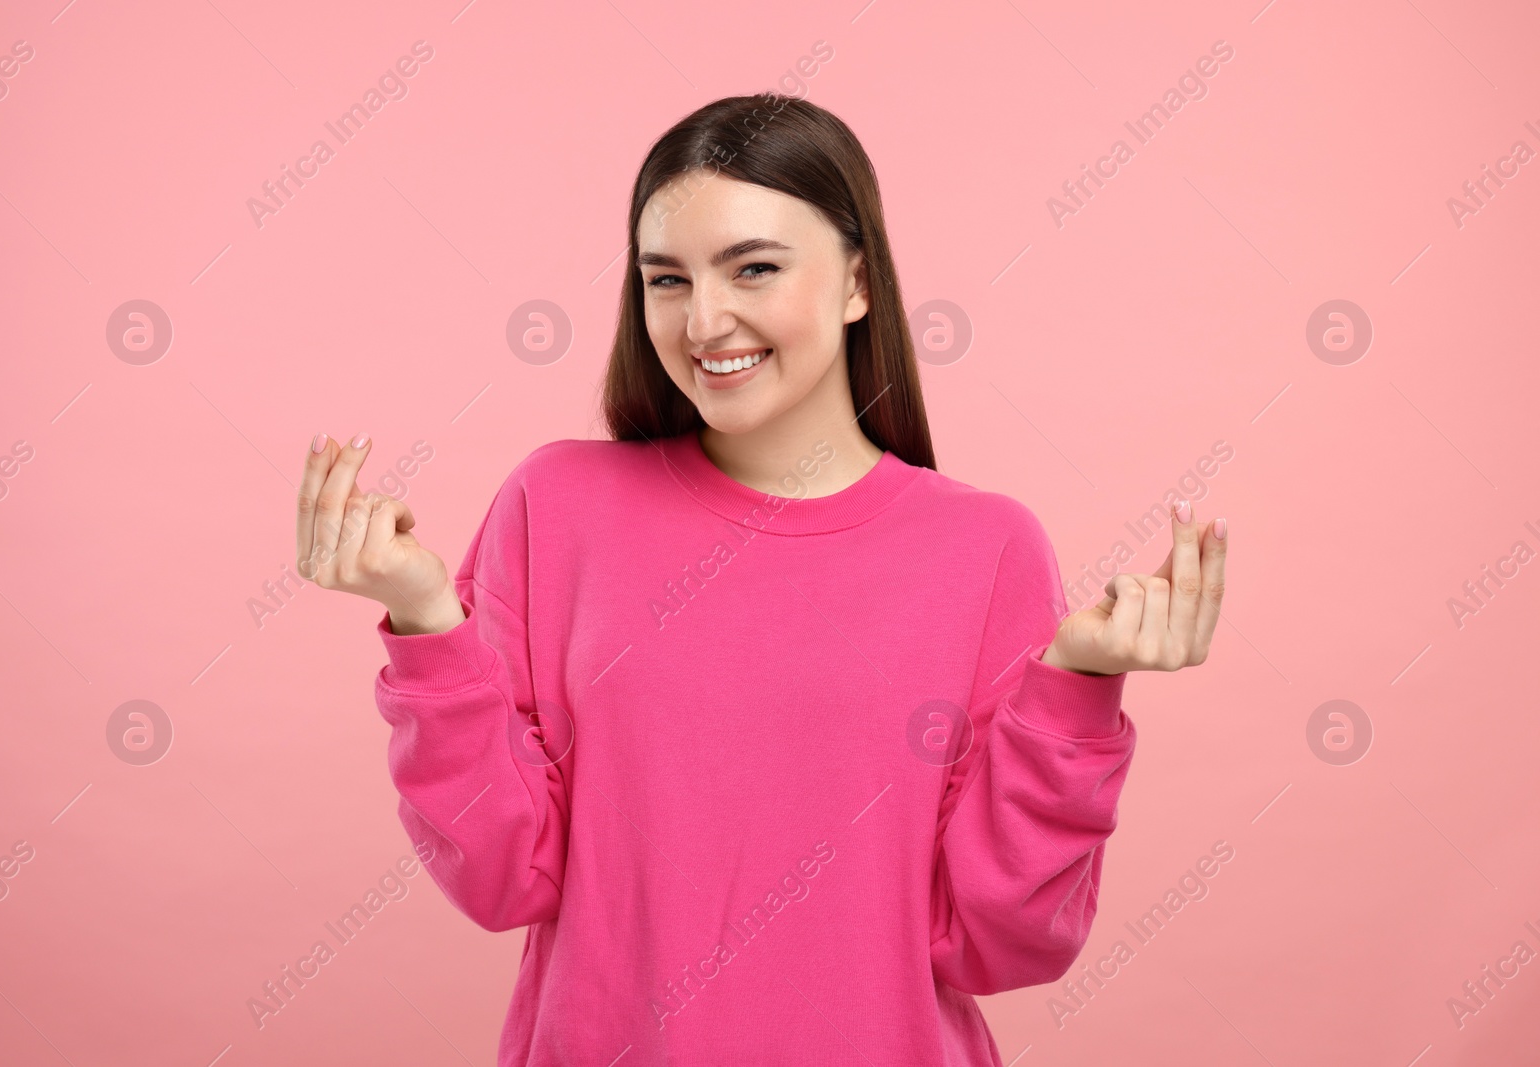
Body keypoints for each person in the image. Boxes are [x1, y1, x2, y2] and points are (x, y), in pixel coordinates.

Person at [294, 93, 1227, 1066]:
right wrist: (425, 619)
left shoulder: (983, 548)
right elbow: (501, 874)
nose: (703, 320)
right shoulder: (555, 505)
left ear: (858, 281)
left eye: (754, 268)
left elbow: (1003, 940)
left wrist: (1074, 687)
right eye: (667, 279)